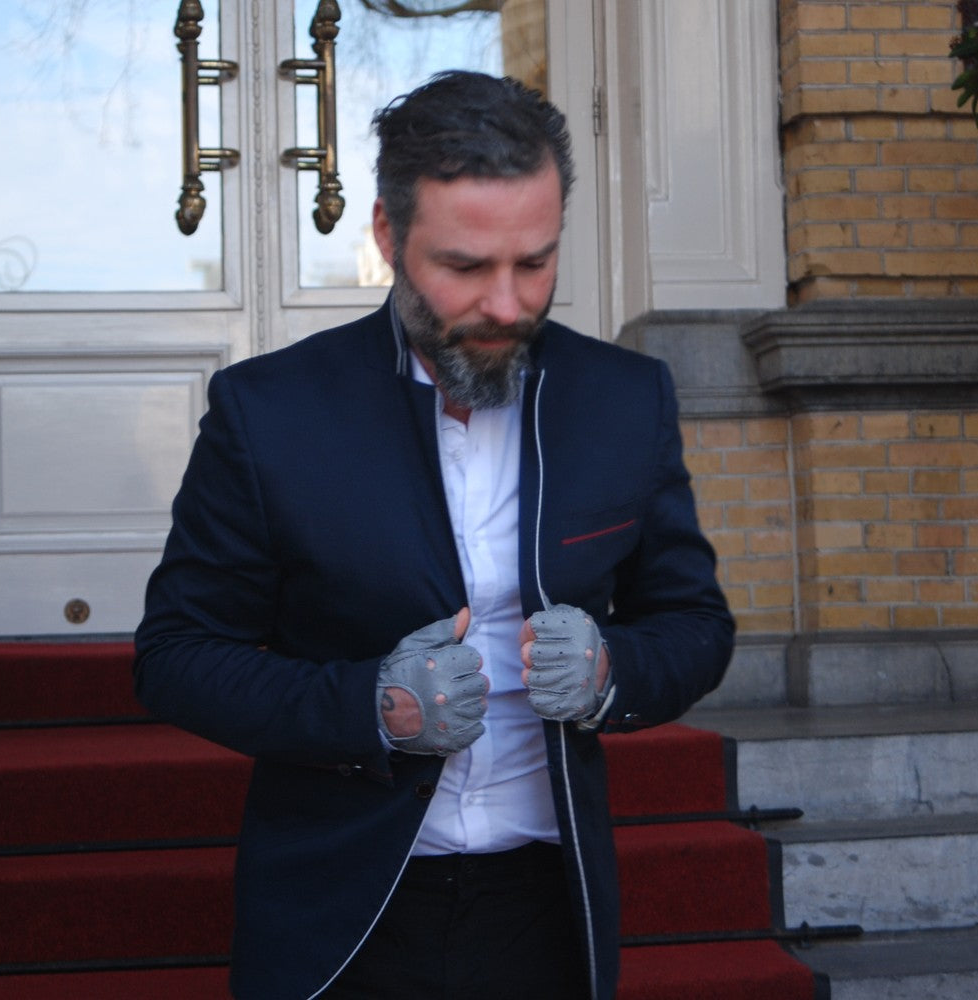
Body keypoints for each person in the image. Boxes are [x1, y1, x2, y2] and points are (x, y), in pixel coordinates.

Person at [133, 70, 734, 1000]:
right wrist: (370, 706)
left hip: (547, 899)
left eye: (534, 262)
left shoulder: (625, 399)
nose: (505, 303)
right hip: (345, 904)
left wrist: (614, 669)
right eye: (464, 267)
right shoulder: (269, 412)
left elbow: (694, 624)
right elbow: (176, 656)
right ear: (387, 236)